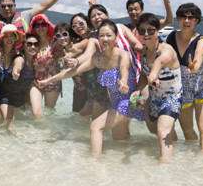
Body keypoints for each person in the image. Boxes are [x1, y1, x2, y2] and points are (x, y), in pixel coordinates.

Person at [39, 20, 143, 157]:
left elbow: (124, 70)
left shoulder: (122, 55)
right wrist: (48, 80)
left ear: (116, 37)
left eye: (109, 35)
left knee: (95, 126)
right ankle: (129, 166)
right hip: (115, 104)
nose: (105, 39)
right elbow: (72, 72)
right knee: (120, 142)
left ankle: (94, 161)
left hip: (130, 101)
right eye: (102, 36)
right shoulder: (97, 59)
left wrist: (123, 82)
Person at [74, 4, 144, 138]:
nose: (96, 17)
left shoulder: (120, 28)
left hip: (139, 80)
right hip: (119, 89)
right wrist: (74, 59)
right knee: (120, 134)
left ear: (107, 15)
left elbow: (136, 44)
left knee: (151, 122)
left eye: (99, 14)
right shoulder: (95, 38)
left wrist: (147, 51)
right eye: (93, 16)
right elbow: (87, 54)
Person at [129, 13, 182, 160]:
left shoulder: (166, 50)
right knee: (154, 130)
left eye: (151, 30)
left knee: (162, 131)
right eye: (142, 31)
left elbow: (159, 62)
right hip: (154, 97)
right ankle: (178, 150)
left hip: (172, 97)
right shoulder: (144, 51)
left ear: (157, 31)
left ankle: (164, 166)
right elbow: (143, 75)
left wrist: (153, 75)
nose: (146, 34)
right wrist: (138, 90)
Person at [165, 3, 203, 151]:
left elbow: (199, 55)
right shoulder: (171, 37)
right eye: (182, 17)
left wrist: (195, 66)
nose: (186, 21)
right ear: (178, 19)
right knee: (187, 129)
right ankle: (190, 158)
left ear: (197, 20)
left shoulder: (202, 41)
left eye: (191, 17)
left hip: (201, 87)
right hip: (181, 89)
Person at [0, 32, 38, 133]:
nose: (32, 47)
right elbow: (17, 66)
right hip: (7, 97)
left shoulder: (34, 62)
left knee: (25, 124)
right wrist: (16, 72)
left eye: (35, 44)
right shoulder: (20, 58)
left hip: (20, 100)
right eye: (29, 44)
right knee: (9, 125)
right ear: (24, 46)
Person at [0, 24, 26, 128]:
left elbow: (18, 64)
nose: (9, 39)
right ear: (2, 38)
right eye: (6, 36)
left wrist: (16, 72)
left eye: (12, 36)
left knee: (10, 121)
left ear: (15, 38)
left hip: (3, 92)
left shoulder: (15, 55)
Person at [28, 14, 63, 117]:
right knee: (36, 113)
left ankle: (48, 128)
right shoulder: (33, 43)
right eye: (37, 25)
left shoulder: (56, 42)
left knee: (49, 112)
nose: (40, 27)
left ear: (48, 26)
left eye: (43, 24)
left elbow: (67, 48)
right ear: (34, 28)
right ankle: (36, 128)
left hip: (53, 82)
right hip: (36, 82)